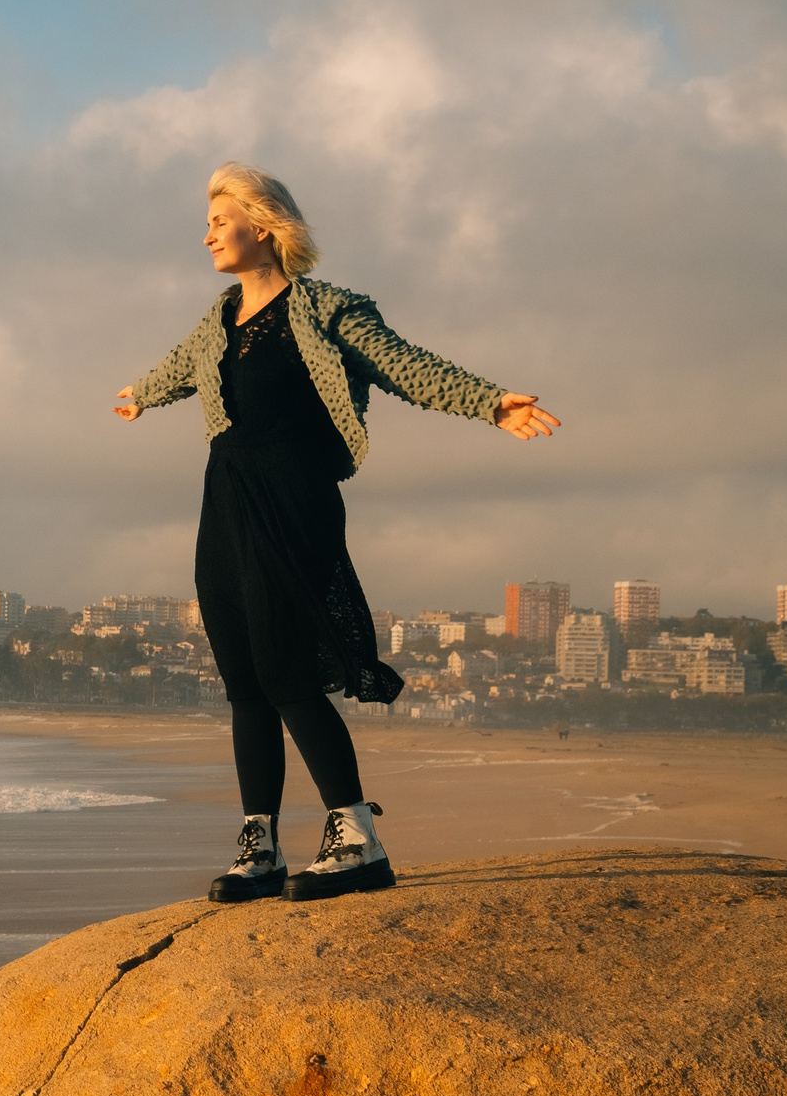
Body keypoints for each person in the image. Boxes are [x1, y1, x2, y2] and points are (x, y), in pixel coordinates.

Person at [113, 164, 557, 903]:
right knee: (245, 680)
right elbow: (182, 368)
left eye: (219, 220)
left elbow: (404, 366)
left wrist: (488, 402)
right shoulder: (217, 318)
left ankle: (357, 838)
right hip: (225, 500)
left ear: (262, 222)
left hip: (295, 497)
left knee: (286, 670)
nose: (208, 234)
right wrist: (143, 393)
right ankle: (260, 845)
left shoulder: (328, 309)